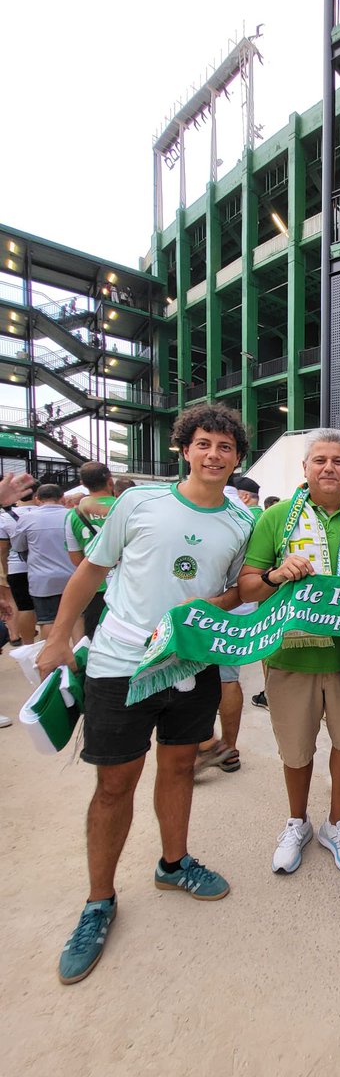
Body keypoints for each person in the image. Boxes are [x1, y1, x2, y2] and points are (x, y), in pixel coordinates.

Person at [38, 403, 255, 985]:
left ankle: (174, 863)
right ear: (185, 448)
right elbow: (91, 572)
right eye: (204, 443)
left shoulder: (240, 521)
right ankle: (98, 902)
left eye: (226, 447)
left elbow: (233, 591)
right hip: (119, 665)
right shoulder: (138, 502)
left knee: (181, 767)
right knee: (114, 784)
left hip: (192, 663)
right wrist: (59, 637)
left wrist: (211, 606)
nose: (214, 455)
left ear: (237, 458)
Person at [238, 428, 340, 877]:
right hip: (290, 657)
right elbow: (247, 585)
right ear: (305, 468)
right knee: (296, 750)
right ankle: (296, 821)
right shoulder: (277, 517)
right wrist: (278, 575)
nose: (328, 468)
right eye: (319, 460)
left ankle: (337, 823)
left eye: (337, 460)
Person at [11, 484, 74, 636]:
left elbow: (18, 546)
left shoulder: (27, 519)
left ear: (37, 499)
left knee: (47, 620)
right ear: (62, 498)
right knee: (77, 618)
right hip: (73, 576)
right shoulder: (72, 515)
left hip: (42, 579)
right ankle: (78, 655)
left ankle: (51, 657)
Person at [64, 462, 116, 639]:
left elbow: (76, 558)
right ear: (110, 482)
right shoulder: (125, 508)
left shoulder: (73, 515)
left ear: (83, 483)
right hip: (128, 584)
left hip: (94, 586)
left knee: (94, 637)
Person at [0, 482, 38, 646]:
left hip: (17, 567)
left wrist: (6, 570)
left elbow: (2, 549)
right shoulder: (46, 512)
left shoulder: (5, 517)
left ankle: (23, 641)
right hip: (43, 566)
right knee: (47, 610)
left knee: (22, 606)